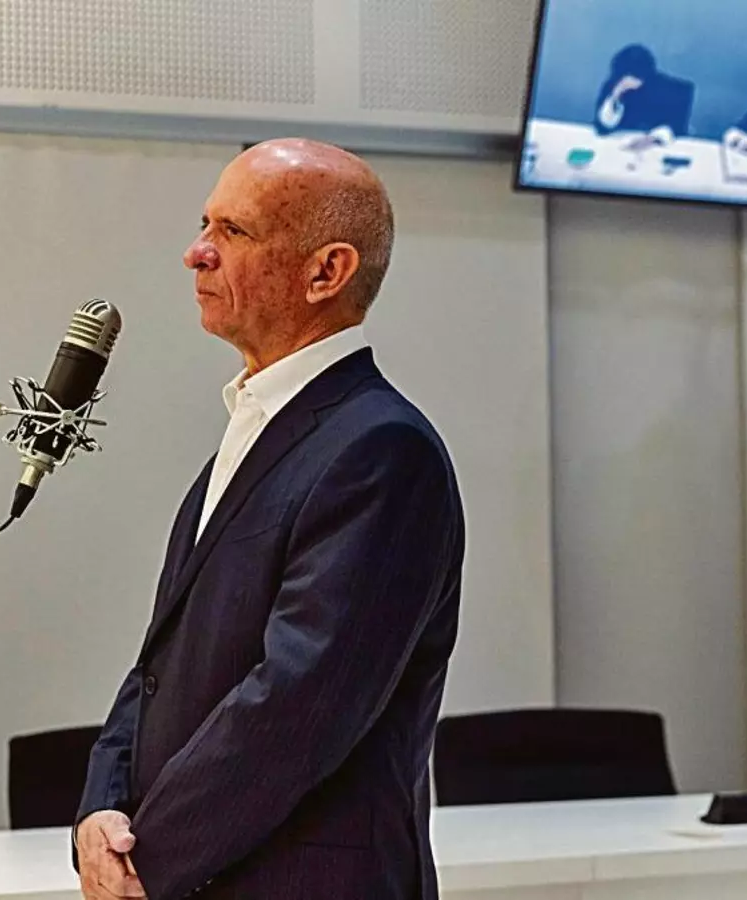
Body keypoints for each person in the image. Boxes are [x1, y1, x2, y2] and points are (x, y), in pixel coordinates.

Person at [73, 138, 466, 900]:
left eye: (233, 231)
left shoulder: (382, 449)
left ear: (327, 272)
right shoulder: (258, 430)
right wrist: (103, 809)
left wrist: (147, 859)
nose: (196, 252)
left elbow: (300, 703)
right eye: (204, 224)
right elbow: (159, 667)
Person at [593, 44, 679, 149]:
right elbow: (602, 127)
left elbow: (675, 125)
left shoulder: (664, 87)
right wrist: (616, 96)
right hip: (619, 145)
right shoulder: (613, 84)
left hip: (654, 147)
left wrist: (654, 138)